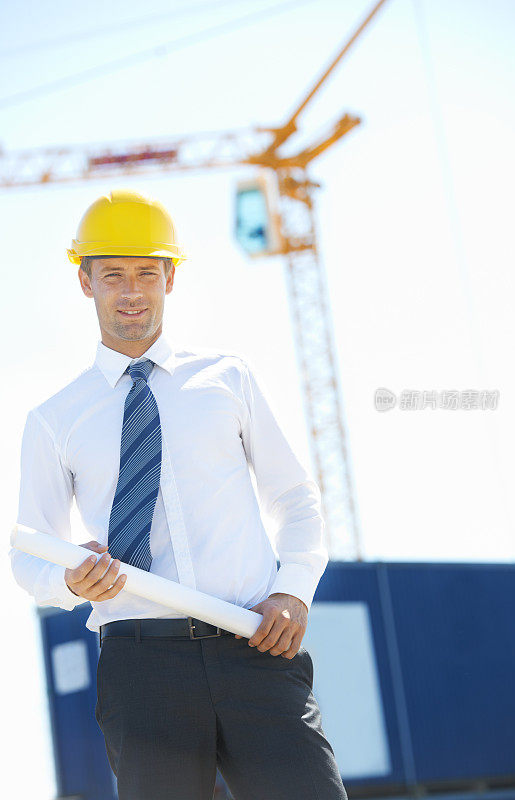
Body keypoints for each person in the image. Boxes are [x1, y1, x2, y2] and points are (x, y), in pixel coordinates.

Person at [11, 188, 348, 800]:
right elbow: (27, 555)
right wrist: (70, 583)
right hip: (142, 672)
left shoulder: (228, 378)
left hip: (255, 646)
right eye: (113, 274)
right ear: (86, 283)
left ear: (171, 277)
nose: (131, 291)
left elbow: (297, 501)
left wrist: (293, 592)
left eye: (147, 272)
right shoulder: (53, 419)